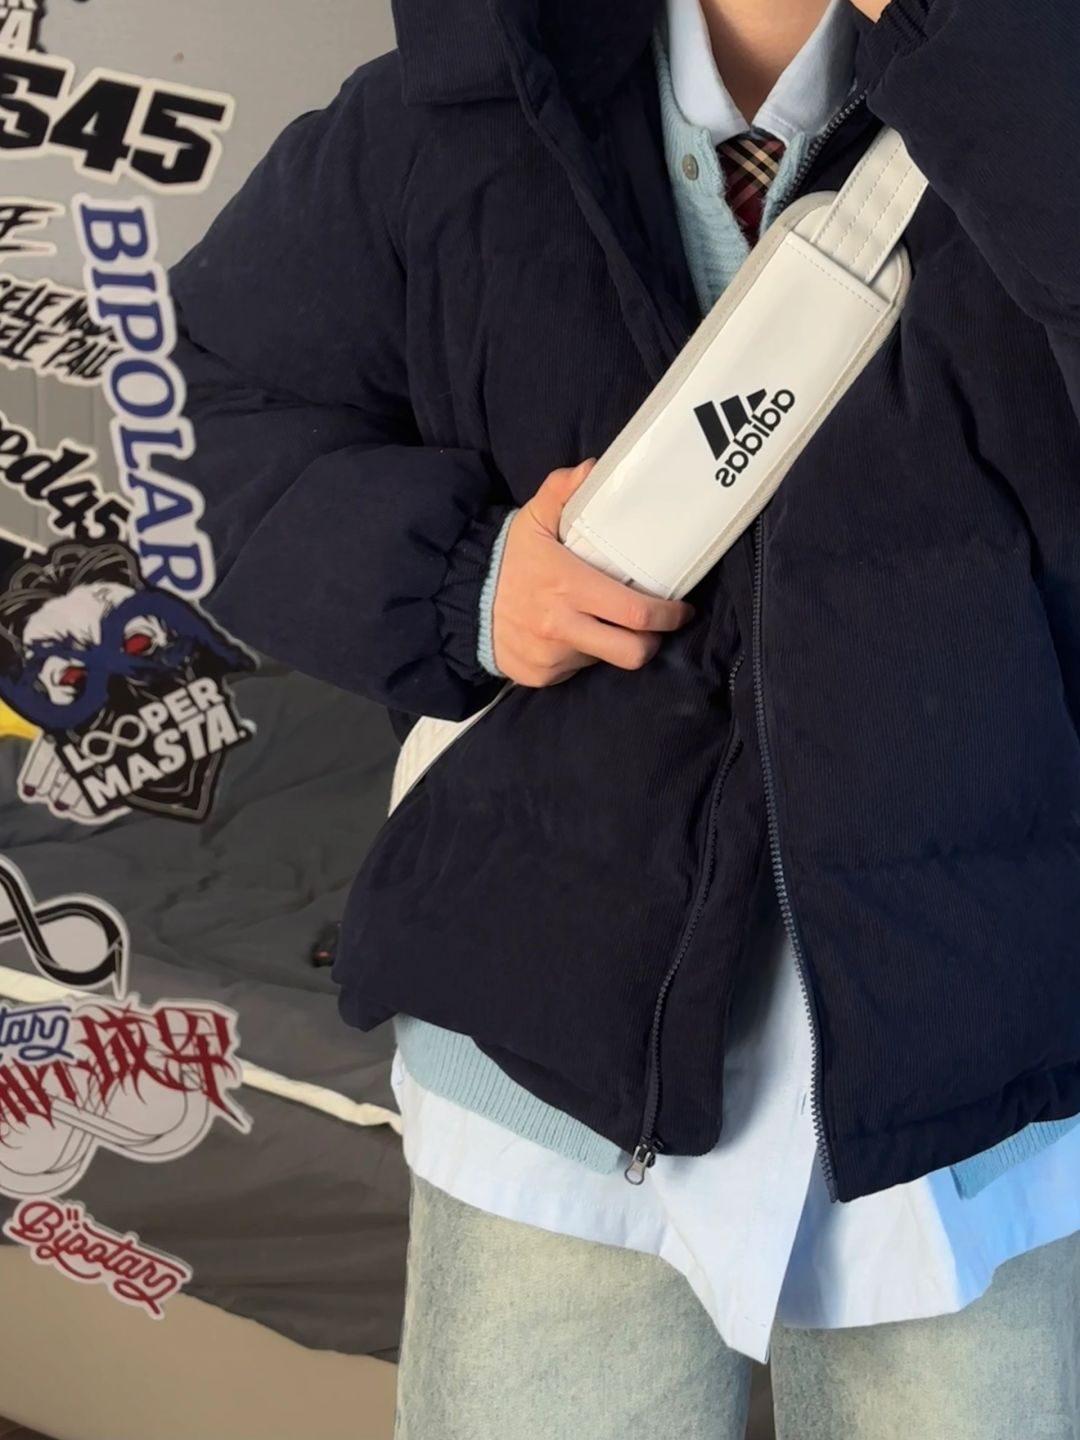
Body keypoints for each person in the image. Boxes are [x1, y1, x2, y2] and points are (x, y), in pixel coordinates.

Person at [165, 0, 1080, 1435]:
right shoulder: (454, 105)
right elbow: (194, 414)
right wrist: (466, 586)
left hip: (983, 1069)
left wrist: (1001, 66)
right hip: (551, 1049)